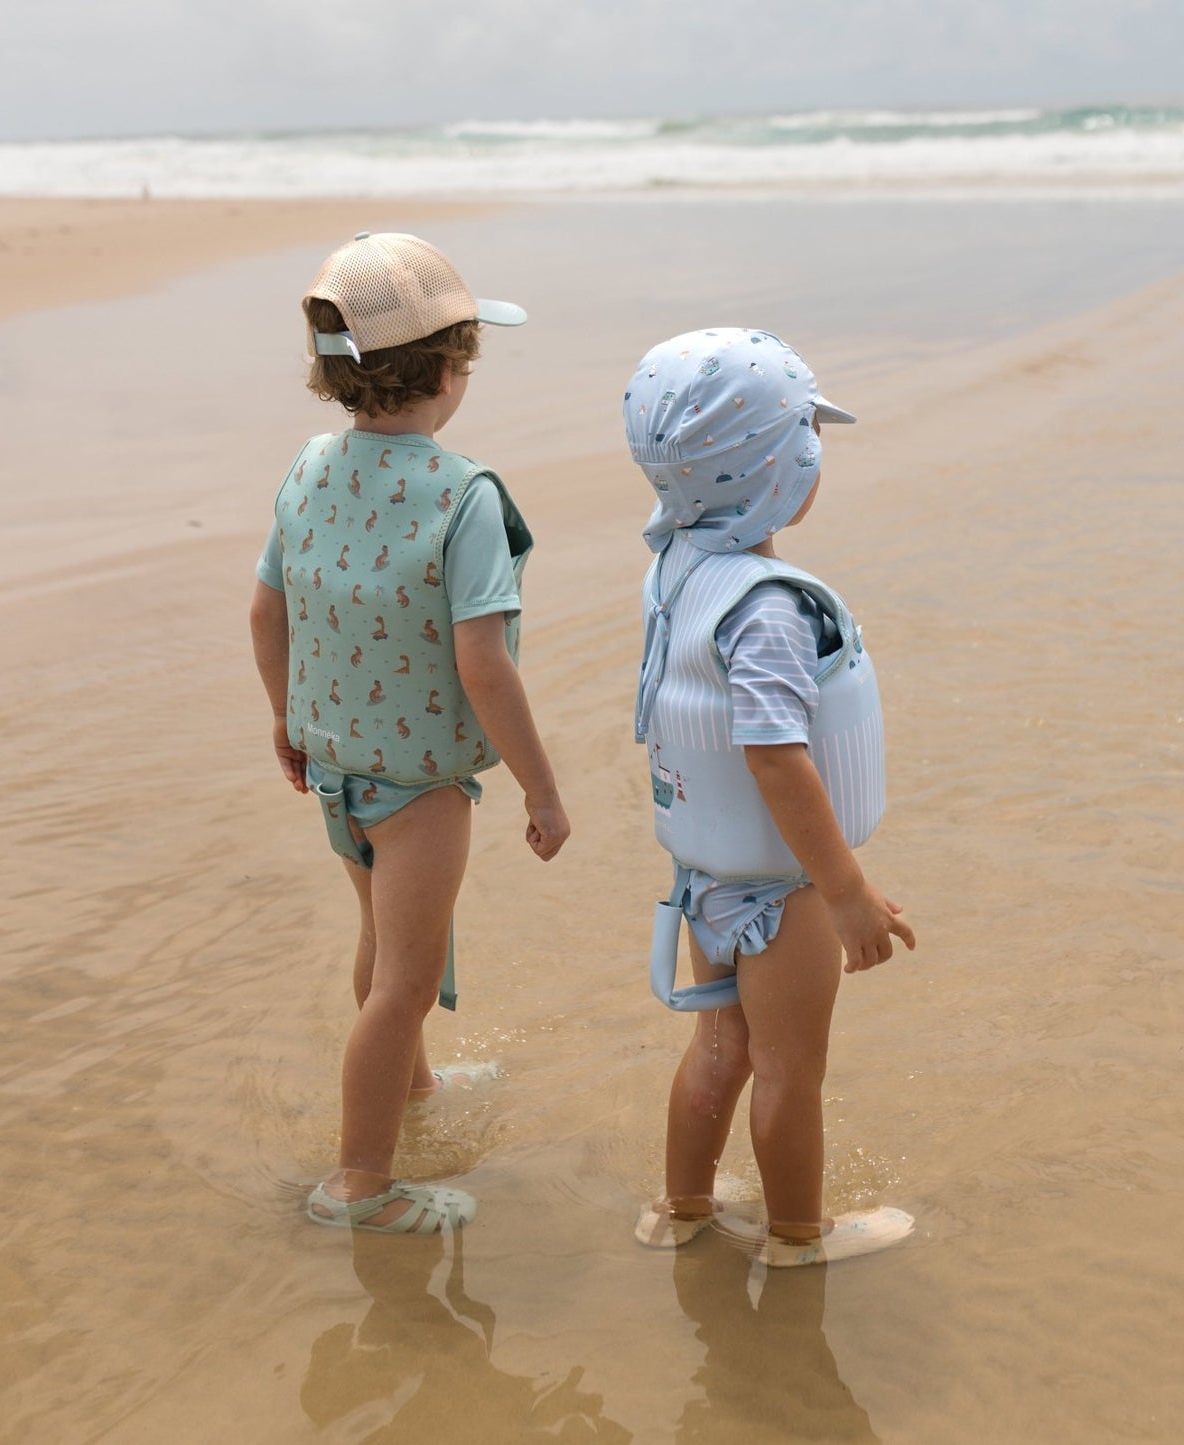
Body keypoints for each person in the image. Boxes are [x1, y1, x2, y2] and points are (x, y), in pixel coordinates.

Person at [250, 232, 570, 1234]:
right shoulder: (465, 495)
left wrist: (282, 717)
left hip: (336, 765)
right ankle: (358, 1179)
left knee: (380, 942)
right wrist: (540, 787)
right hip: (419, 785)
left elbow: (267, 611)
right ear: (445, 367)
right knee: (404, 977)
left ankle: (416, 1081)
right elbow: (483, 664)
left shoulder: (307, 465)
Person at [625, 327, 917, 1266]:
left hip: (705, 870)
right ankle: (797, 1236)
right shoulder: (771, 608)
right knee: (791, 1068)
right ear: (780, 471)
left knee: (719, 1047)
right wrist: (843, 891)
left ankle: (681, 1209)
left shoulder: (677, 572)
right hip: (781, 891)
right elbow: (777, 756)